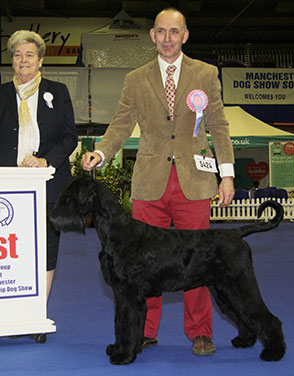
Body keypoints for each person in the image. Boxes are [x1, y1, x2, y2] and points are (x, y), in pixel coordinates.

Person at [82, 8, 235, 356]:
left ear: (185, 35)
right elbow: (121, 125)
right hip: (149, 184)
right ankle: (144, 332)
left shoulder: (207, 73)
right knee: (141, 266)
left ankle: (200, 333)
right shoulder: (135, 78)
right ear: (152, 35)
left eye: (174, 32)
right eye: (161, 32)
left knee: (198, 262)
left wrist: (226, 174)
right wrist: (101, 154)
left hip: (194, 183)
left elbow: (219, 126)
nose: (168, 38)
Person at [0, 30, 77, 340]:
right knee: (9, 249)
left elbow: (70, 137)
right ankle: (6, 312)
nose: (23, 60)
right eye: (17, 55)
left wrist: (46, 161)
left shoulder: (58, 92)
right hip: (7, 188)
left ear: (41, 60)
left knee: (46, 248)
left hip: (49, 185)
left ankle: (36, 314)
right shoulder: (2, 94)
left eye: (29, 54)